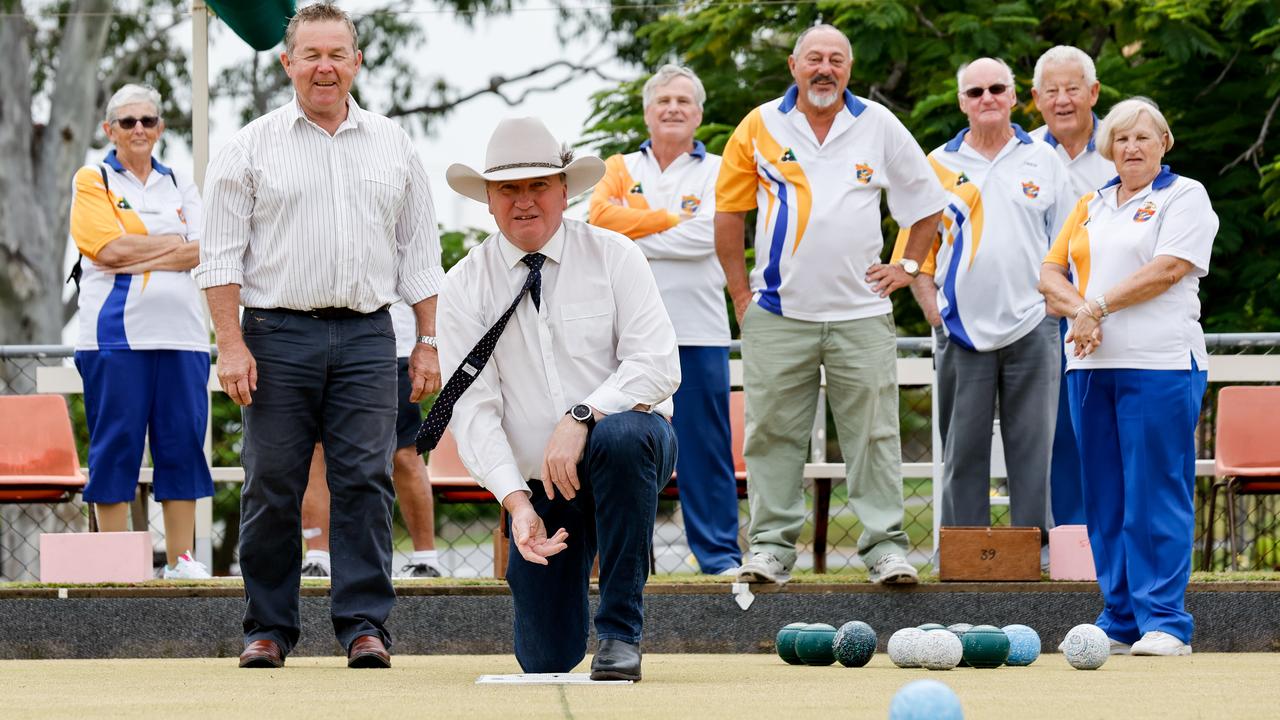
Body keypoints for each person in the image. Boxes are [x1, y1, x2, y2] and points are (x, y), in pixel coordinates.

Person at [197, 2, 444, 670]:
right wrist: (231, 342)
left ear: (357, 61)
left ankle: (364, 626)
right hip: (275, 337)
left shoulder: (394, 144)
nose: (325, 67)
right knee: (271, 481)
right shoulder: (248, 147)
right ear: (287, 63)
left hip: (369, 336)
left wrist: (427, 339)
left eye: (338, 54)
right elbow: (220, 258)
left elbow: (420, 251)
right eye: (311, 55)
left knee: (366, 479)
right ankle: (268, 629)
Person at [431, 116, 679, 681]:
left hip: (627, 449)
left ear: (565, 191)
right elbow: (473, 410)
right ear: (488, 202)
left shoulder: (616, 256)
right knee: (545, 658)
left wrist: (581, 416)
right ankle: (563, 587)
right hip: (541, 486)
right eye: (509, 190)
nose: (525, 202)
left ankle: (620, 634)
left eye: (539, 185)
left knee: (620, 436)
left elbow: (658, 364)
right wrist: (517, 505)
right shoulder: (464, 284)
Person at [715, 24, 945, 586]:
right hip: (776, 314)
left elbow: (928, 205)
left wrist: (908, 267)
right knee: (769, 435)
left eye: (836, 59)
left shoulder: (879, 124)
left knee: (874, 435)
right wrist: (741, 295)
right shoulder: (759, 124)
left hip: (862, 314)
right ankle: (769, 549)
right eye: (814, 58)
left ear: (849, 67)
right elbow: (727, 216)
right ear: (793, 65)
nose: (825, 68)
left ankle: (886, 549)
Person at [1040, 98, 1216, 657]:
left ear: (1165, 142)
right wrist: (1080, 311)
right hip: (1089, 366)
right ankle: (1119, 617)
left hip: (1159, 363)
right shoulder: (1090, 203)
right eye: (1121, 139)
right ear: (1108, 148)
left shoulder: (1184, 196)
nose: (1132, 147)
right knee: (1106, 498)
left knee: (1154, 492)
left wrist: (1094, 308)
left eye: (1144, 137)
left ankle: (1166, 622)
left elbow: (1166, 270)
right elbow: (1050, 272)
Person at [893, 58, 1072, 553]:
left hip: (1033, 327)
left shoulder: (1045, 159)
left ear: (1015, 97)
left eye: (997, 88)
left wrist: (1056, 309)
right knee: (962, 453)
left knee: (1033, 453)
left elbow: (1070, 242)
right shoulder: (936, 164)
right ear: (962, 103)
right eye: (976, 92)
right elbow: (915, 254)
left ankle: (1031, 559)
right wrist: (934, 311)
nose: (987, 98)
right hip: (961, 330)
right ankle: (964, 559)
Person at [587, 64, 739, 576]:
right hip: (627, 340)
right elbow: (598, 221)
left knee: (706, 451)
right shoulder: (619, 165)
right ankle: (621, 560)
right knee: (623, 448)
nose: (673, 108)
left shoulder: (721, 169)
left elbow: (712, 237)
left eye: (683, 101)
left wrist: (637, 232)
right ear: (648, 112)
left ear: (698, 114)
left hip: (700, 331)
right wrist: (673, 219)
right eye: (663, 101)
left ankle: (718, 556)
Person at [68, 83, 213, 580]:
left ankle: (180, 561)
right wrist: (171, 244)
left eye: (147, 121)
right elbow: (104, 251)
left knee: (182, 444)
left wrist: (142, 246)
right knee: (116, 444)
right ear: (109, 129)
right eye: (127, 122)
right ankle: (116, 564)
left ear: (160, 129)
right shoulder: (94, 178)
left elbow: (205, 249)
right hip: (115, 336)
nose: (138, 130)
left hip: (185, 336)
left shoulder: (182, 184)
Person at [1030, 45, 1116, 527]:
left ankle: (1106, 536)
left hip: (1106, 314)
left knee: (1102, 432)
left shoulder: (1120, 148)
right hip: (1039, 317)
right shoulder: (1022, 152)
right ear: (1037, 99)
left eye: (1074, 89)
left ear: (1094, 93)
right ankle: (1058, 541)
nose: (1063, 100)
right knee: (1053, 435)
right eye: (1052, 91)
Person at [300, 302, 445, 580]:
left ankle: (427, 559)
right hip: (319, 342)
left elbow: (423, 277)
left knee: (404, 453)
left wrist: (427, 342)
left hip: (395, 345)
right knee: (317, 449)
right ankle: (317, 558)